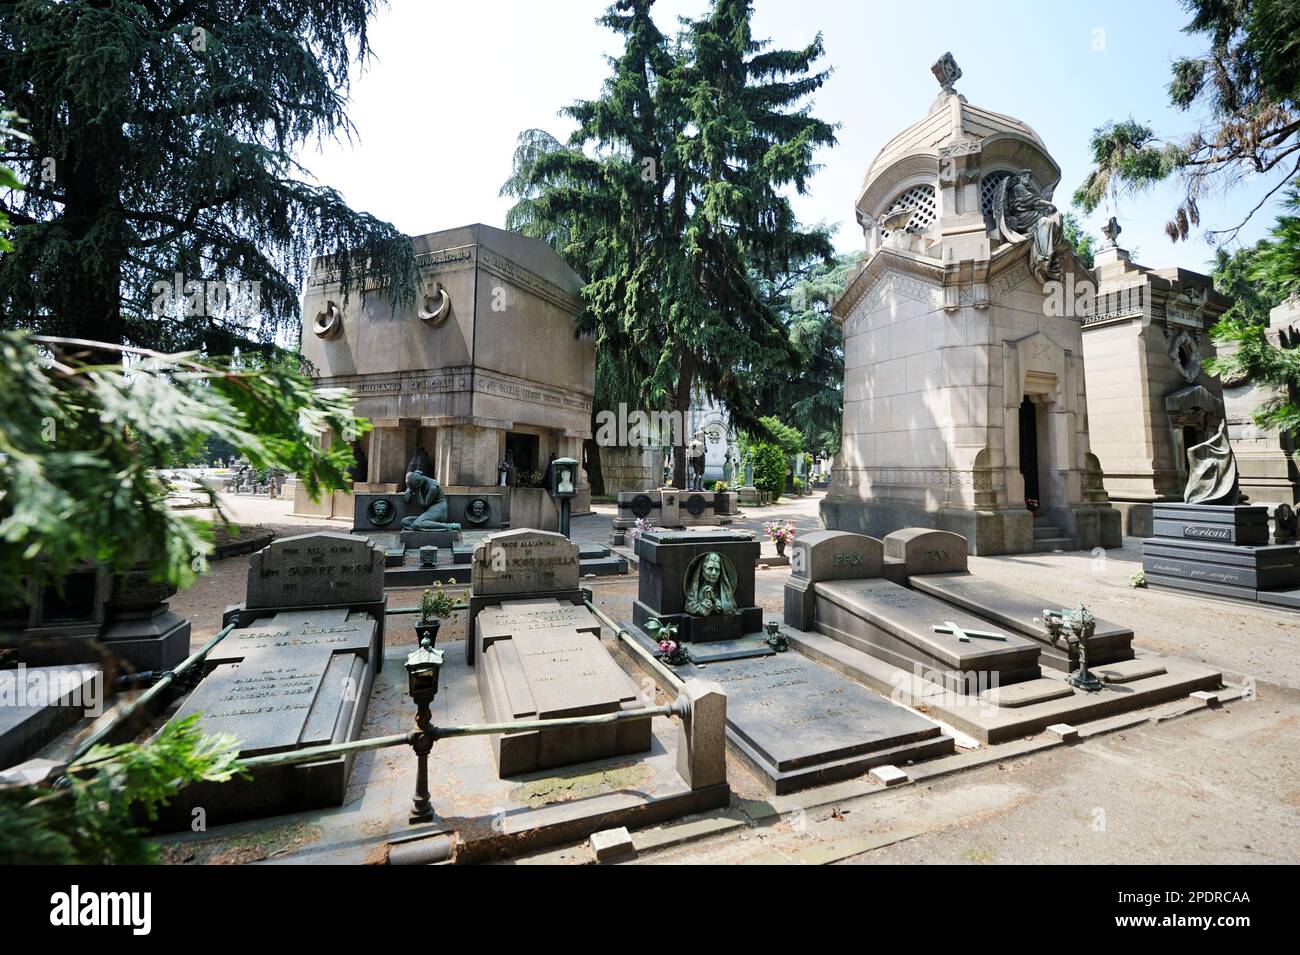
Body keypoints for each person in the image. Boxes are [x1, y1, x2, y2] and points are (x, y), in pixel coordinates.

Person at [684, 552, 737, 616]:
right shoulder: (694, 593)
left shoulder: (724, 591)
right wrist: (707, 602)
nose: (714, 573)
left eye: (717, 569)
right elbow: (691, 607)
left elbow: (729, 609)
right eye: (710, 569)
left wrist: (714, 599)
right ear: (703, 571)